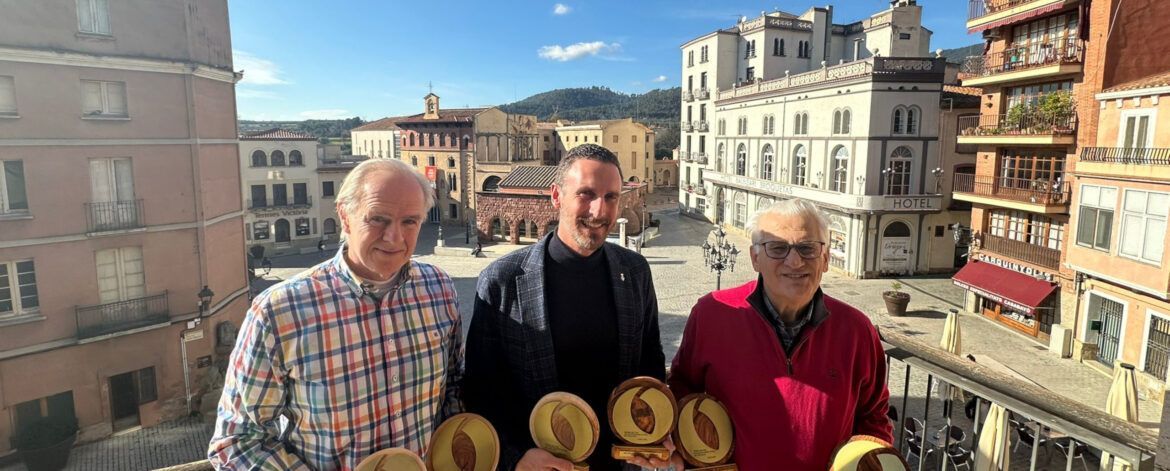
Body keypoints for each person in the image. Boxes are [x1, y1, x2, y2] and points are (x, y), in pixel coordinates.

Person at [209, 159, 464, 470]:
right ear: (345, 217)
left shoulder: (438, 289)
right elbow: (236, 442)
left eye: (410, 221)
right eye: (378, 219)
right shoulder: (278, 312)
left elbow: (451, 388)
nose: (394, 237)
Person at [464, 144, 677, 471]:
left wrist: (652, 430)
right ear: (556, 196)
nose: (599, 211)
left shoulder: (634, 271)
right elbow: (480, 389)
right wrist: (515, 456)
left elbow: (649, 358)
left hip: (618, 464)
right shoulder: (501, 280)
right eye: (586, 194)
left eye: (610, 197)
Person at [669, 199, 892, 470]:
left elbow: (874, 417)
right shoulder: (712, 314)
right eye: (778, 248)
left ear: (825, 259)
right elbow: (683, 390)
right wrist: (688, 449)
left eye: (807, 248)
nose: (795, 261)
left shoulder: (857, 330)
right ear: (755, 258)